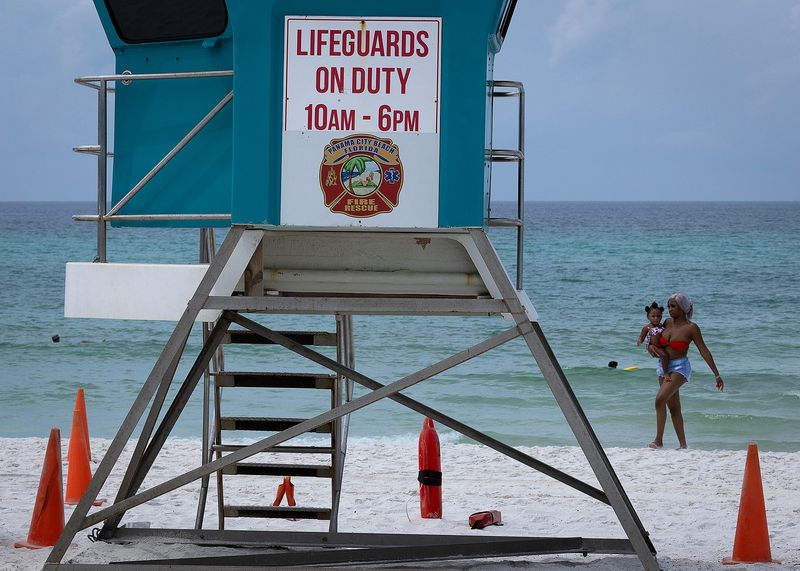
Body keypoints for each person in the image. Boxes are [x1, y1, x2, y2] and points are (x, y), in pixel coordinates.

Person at [647, 292, 724, 449]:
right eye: (668, 306)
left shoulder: (691, 328)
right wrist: (650, 347)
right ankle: (683, 446)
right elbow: (653, 338)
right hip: (663, 367)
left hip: (680, 368)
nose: (669, 309)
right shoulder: (666, 323)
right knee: (674, 408)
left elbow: (704, 351)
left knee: (659, 400)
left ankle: (658, 441)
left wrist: (717, 374)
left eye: (673, 306)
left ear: (682, 308)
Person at [636, 301, 671, 381]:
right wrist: (639, 341)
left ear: (661, 316)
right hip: (653, 346)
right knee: (664, 355)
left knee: (666, 355)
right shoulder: (647, 327)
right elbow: (642, 336)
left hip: (661, 345)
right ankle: (666, 373)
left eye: (658, 316)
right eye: (653, 316)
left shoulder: (661, 326)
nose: (656, 318)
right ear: (648, 317)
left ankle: (665, 368)